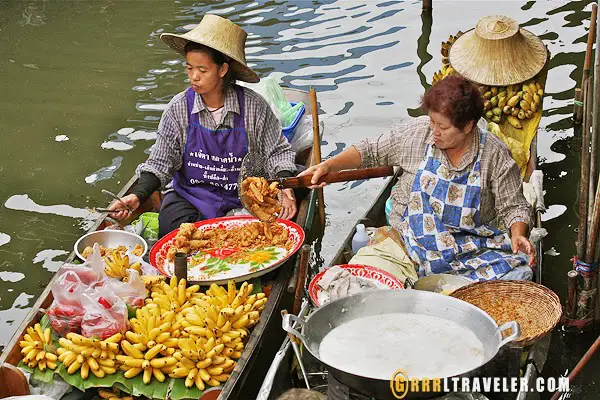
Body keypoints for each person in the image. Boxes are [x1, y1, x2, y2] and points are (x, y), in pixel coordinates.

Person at [300, 76, 535, 282]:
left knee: (520, 274)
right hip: (409, 240)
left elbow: (514, 206)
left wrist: (518, 233)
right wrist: (328, 165)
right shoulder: (416, 134)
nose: (434, 131)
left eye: (442, 126)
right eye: (432, 121)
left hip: (468, 247)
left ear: (468, 126)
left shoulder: (493, 154)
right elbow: (368, 150)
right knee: (361, 277)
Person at [108, 14, 298, 237]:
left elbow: (277, 152)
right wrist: (138, 195)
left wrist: (286, 186)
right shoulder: (178, 109)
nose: (194, 77)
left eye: (202, 70)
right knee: (172, 231)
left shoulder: (253, 107)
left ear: (223, 69)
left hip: (246, 199)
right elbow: (160, 162)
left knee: (264, 234)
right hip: (192, 197)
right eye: (189, 68)